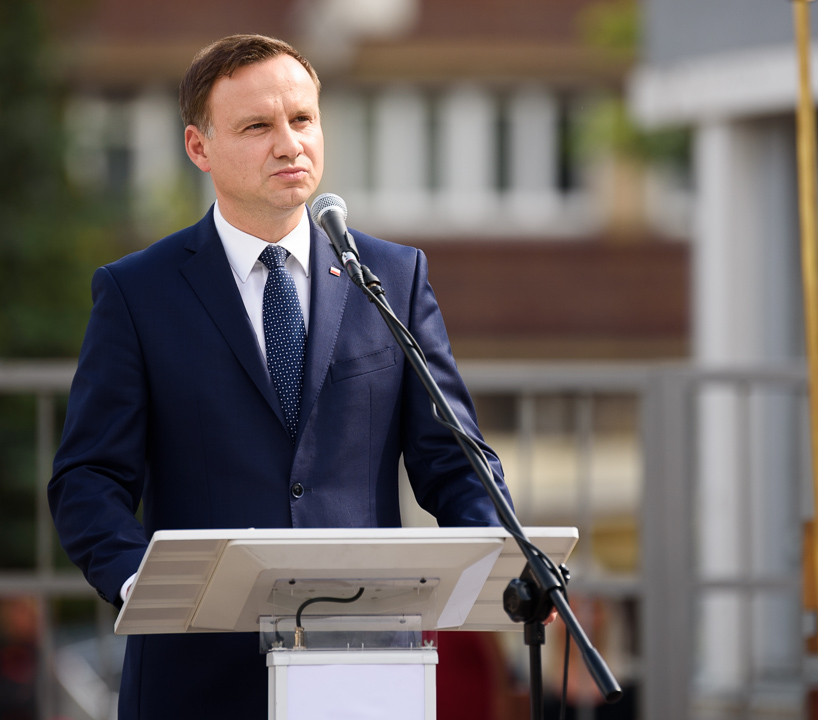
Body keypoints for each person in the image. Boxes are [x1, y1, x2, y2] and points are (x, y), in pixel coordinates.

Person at [48, 34, 510, 719]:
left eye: (302, 119)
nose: (290, 144)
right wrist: (142, 583)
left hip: (363, 665)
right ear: (199, 147)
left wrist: (503, 558)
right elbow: (88, 477)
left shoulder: (392, 277)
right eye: (257, 126)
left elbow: (453, 460)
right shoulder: (136, 293)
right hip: (197, 673)